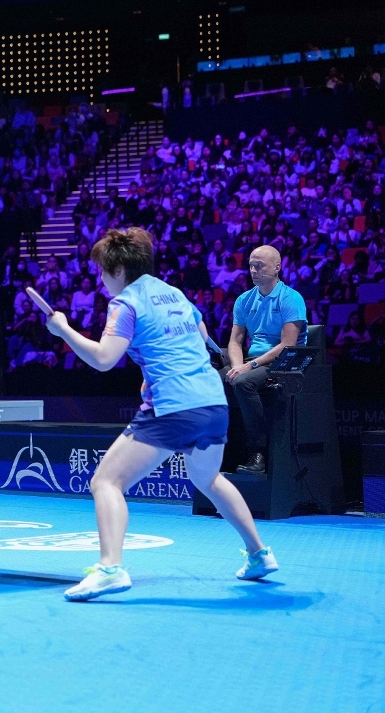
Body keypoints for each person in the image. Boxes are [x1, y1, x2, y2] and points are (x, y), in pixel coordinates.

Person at [36, 228, 277, 601]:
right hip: (214, 402)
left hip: (174, 406)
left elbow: (104, 359)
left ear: (118, 270)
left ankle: (110, 569)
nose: (101, 280)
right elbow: (199, 336)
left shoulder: (126, 303)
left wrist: (63, 330)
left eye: (103, 272)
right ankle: (259, 554)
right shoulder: (173, 293)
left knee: (106, 482)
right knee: (208, 478)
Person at [223, 244, 307, 475]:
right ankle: (214, 449)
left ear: (277, 267)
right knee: (209, 379)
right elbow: (235, 341)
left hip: (284, 362)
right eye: (251, 265)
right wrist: (238, 366)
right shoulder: (244, 300)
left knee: (244, 382)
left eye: (259, 266)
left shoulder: (291, 298)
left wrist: (248, 367)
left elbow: (287, 345)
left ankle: (258, 453)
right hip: (251, 360)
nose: (253, 270)